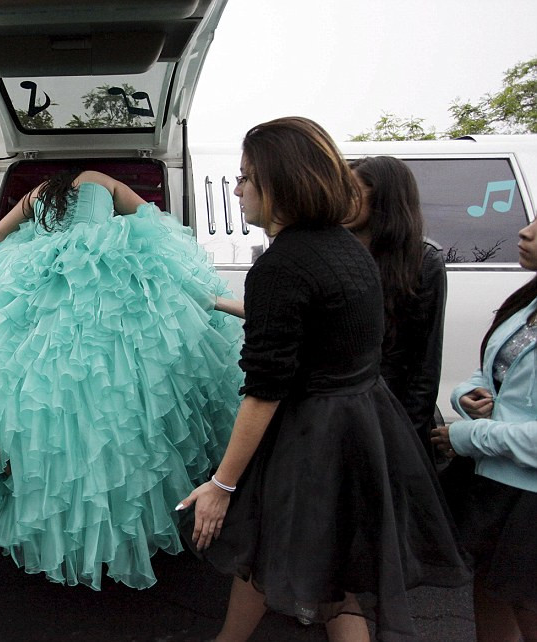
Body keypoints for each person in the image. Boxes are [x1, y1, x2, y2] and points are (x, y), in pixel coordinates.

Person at [177, 117, 468, 640]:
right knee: (308, 558)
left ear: (280, 185)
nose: (238, 189)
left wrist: (222, 484)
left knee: (313, 566)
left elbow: (265, 387)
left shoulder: (284, 265)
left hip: (314, 437)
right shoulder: (345, 248)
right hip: (359, 422)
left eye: (246, 177)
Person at [0, 168, 244, 590]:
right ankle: (107, 525)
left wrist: (38, 243)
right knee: (111, 398)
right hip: (103, 292)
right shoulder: (102, 179)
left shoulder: (39, 191)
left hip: (39, 287)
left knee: (34, 396)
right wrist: (113, 231)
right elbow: (150, 220)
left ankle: (44, 520)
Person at [430, 218, 537, 642]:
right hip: (498, 488)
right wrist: (468, 394)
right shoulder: (527, 301)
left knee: (524, 604)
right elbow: (495, 372)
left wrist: (466, 437)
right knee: (491, 592)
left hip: (529, 502)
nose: (525, 232)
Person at [347, 156, 447, 457]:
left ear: (382, 197)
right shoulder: (335, 252)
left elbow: (424, 365)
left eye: (352, 191)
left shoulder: (422, 261)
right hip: (338, 410)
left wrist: (406, 437)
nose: (340, 199)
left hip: (393, 412)